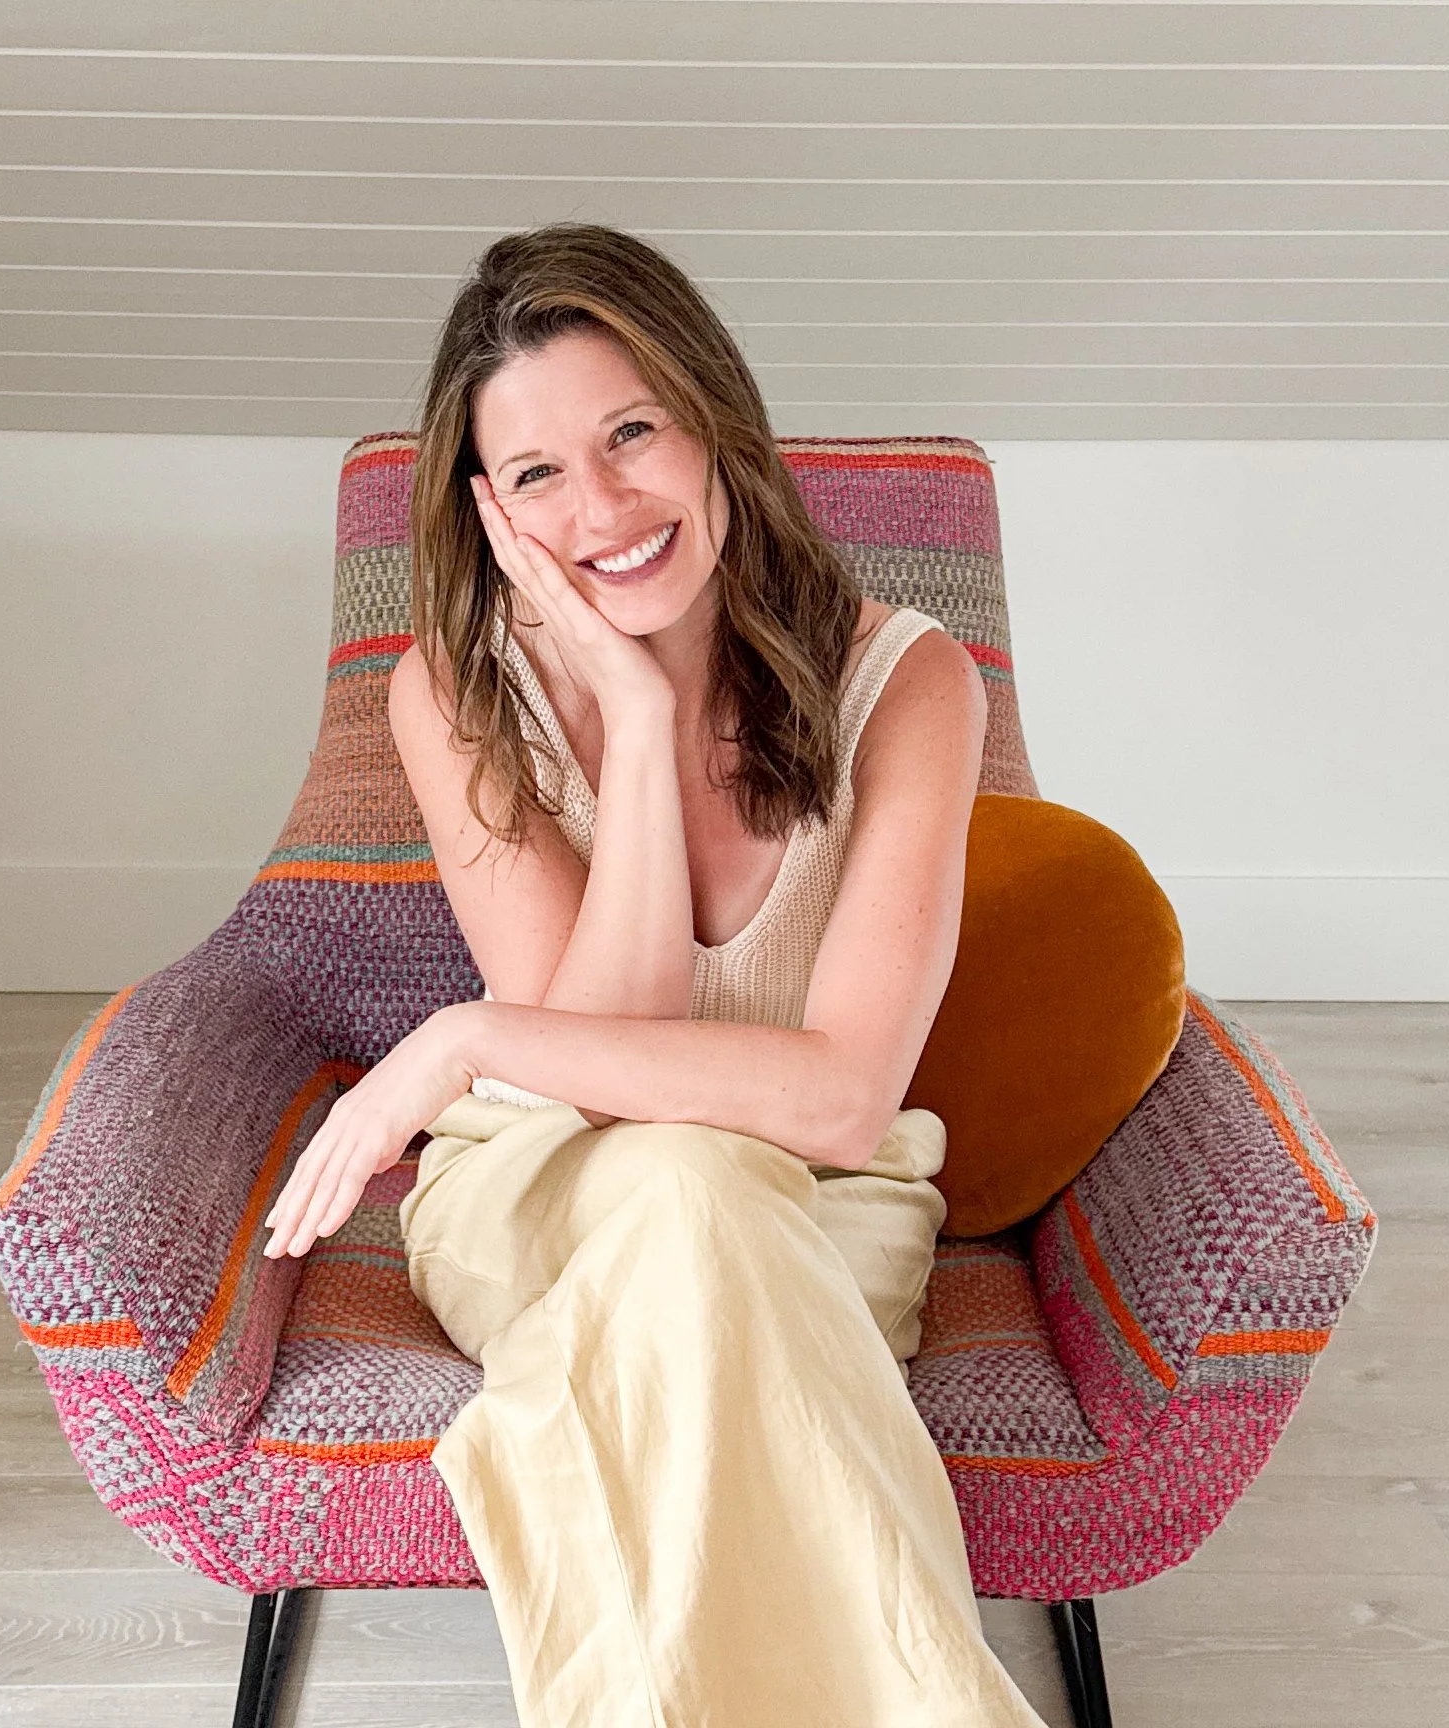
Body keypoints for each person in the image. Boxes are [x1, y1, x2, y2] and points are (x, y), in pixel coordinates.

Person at [263, 224, 1047, 1728]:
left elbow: (841, 1101)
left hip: (814, 1207)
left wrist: (464, 1038)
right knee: (677, 1180)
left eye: (632, 433)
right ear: (491, 512)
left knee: (697, 1191)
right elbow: (598, 1068)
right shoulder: (455, 692)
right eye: (540, 473)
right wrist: (631, 720)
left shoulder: (910, 685)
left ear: (713, 418)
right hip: (537, 1193)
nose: (604, 509)